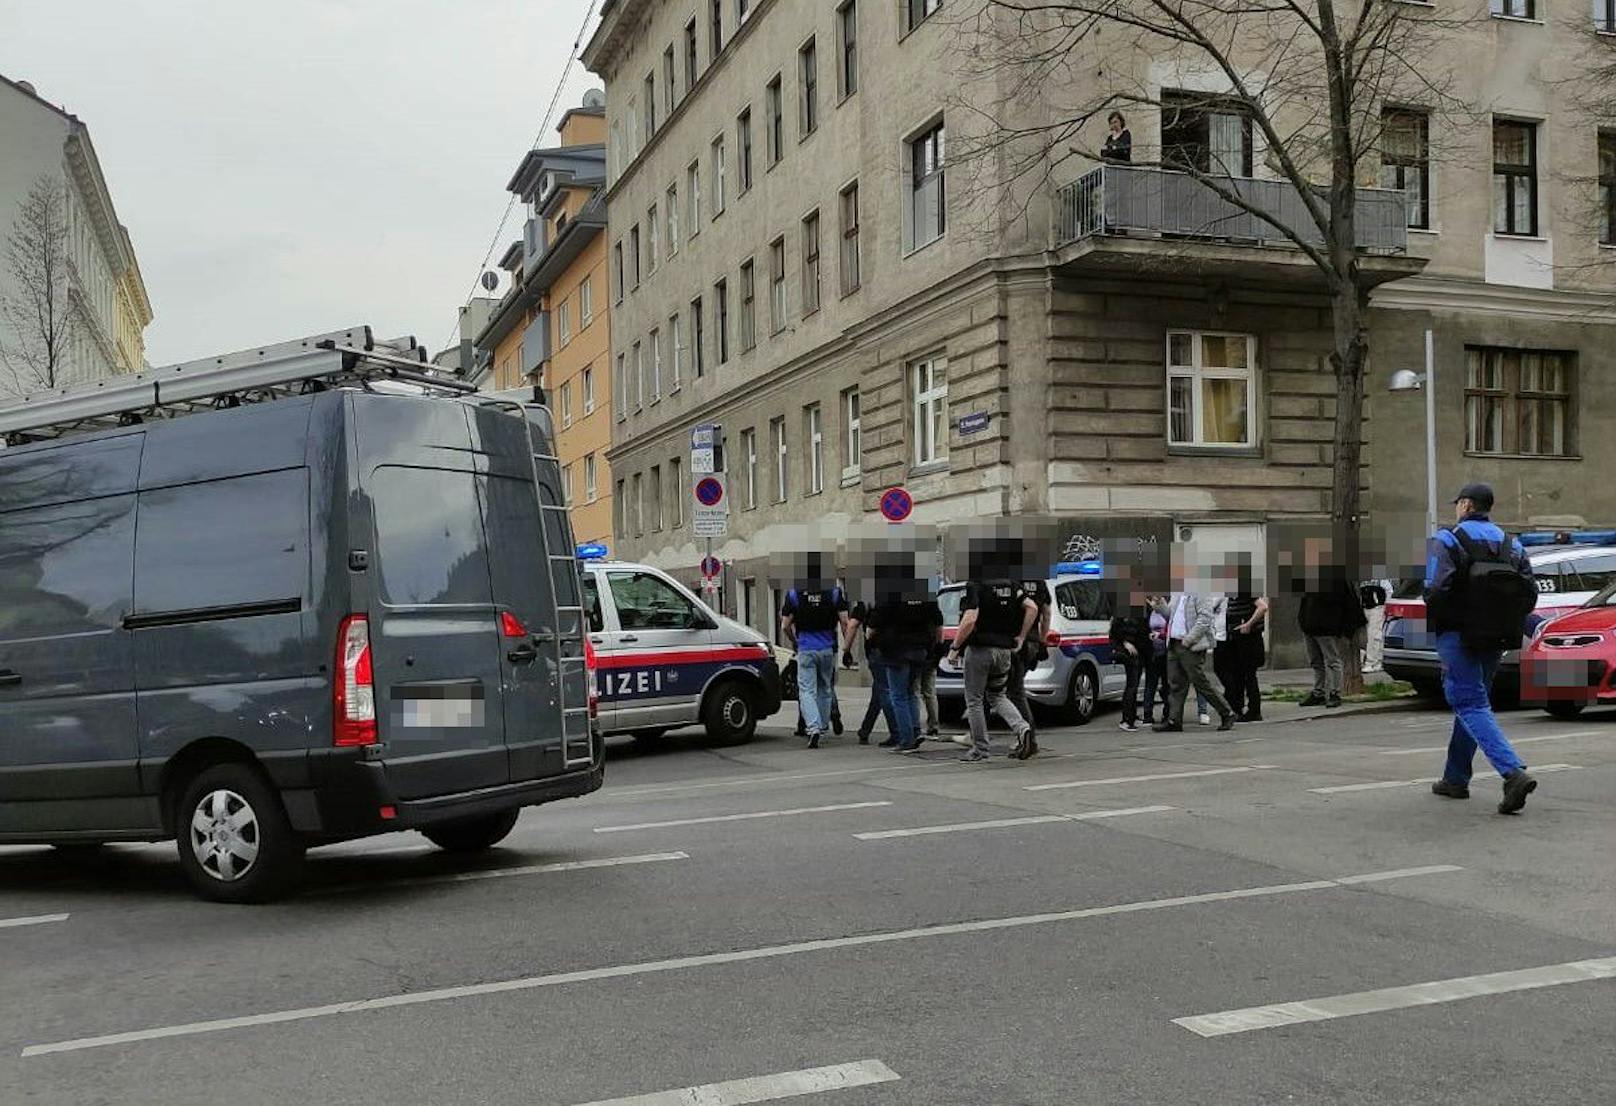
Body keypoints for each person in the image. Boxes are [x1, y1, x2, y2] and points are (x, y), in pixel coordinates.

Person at [1426, 483, 1539, 814]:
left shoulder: (1448, 539)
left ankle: (1512, 771)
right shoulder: (1512, 544)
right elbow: (1529, 593)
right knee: (1474, 703)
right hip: (1497, 635)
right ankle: (1456, 778)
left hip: (1458, 634)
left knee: (1469, 702)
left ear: (1465, 505)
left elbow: (1435, 588)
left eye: (1458, 504)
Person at [948, 563, 1038, 762]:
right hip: (1004, 650)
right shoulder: (1012, 585)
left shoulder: (976, 584)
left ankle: (980, 748)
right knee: (998, 695)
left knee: (974, 700)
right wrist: (1021, 637)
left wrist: (955, 647)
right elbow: (1032, 607)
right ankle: (1023, 728)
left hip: (980, 650)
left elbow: (970, 618)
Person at [864, 567, 944, 754]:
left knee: (898, 695)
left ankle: (906, 739)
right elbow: (938, 621)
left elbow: (875, 622)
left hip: (896, 650)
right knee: (911, 692)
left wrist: (871, 638)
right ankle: (915, 732)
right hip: (920, 650)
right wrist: (937, 646)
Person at [779, 556, 850, 749]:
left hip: (806, 648)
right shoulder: (834, 593)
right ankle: (823, 725)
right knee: (825, 688)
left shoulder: (794, 595)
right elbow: (845, 621)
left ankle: (813, 728)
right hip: (827, 648)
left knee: (806, 690)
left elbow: (785, 624)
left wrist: (795, 640)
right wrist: (846, 647)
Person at [1154, 585, 1235, 733]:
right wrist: (1160, 606)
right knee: (1176, 684)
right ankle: (1174, 720)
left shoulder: (1201, 593)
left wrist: (1190, 639)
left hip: (1190, 645)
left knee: (1200, 682)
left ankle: (1226, 712)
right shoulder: (1178, 593)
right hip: (1174, 643)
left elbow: (1205, 619)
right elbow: (1170, 616)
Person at [1297, 541, 1366, 709]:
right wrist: (1302, 620)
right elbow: (1305, 601)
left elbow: (1348, 604)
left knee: (1332, 660)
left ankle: (1334, 692)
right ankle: (1318, 692)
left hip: (1326, 627)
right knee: (1316, 661)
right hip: (1310, 625)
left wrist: (1345, 628)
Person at [1006, 576, 1054, 756]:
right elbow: (1047, 612)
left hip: (1018, 641)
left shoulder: (1014, 581)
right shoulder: (1039, 582)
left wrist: (1021, 636)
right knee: (1015, 690)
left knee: (1015, 692)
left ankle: (1027, 738)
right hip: (1033, 642)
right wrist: (1042, 640)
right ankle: (1027, 737)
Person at [1216, 574, 1269, 723]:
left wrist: (1248, 624)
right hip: (1237, 639)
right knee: (1238, 674)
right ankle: (1238, 707)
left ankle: (1254, 710)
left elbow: (1263, 607)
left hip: (1249, 639)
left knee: (1248, 675)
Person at [1109, 591, 1154, 732]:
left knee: (1134, 683)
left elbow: (1143, 626)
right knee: (1132, 684)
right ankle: (1127, 719)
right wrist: (1125, 642)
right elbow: (1115, 628)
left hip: (1140, 649)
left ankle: (1131, 716)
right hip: (1131, 650)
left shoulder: (1143, 604)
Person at [1141, 599, 1170, 725]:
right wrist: (1148, 635)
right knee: (1150, 684)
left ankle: (1167, 714)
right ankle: (1147, 715)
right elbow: (1142, 628)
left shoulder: (1168, 611)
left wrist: (1161, 635)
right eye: (1152, 600)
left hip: (1166, 653)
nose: (1154, 602)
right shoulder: (1147, 613)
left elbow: (1171, 626)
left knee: (1167, 685)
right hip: (1152, 653)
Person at [1361, 578, 1390, 674]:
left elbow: (1388, 590)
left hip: (1377, 607)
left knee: (1373, 635)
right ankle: (1377, 661)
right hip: (1365, 607)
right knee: (1374, 635)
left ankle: (1370, 662)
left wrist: (1386, 606)